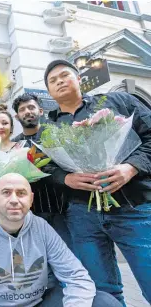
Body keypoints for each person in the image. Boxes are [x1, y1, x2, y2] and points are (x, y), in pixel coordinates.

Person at [44, 59, 151, 305]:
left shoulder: (119, 103)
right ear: (49, 91)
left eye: (64, 75)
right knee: (101, 292)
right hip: (83, 216)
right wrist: (66, 178)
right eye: (53, 80)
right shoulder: (49, 127)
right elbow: (46, 168)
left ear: (79, 79)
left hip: (133, 208)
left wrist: (131, 167)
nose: (59, 81)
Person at [0, 173, 122, 307]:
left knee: (104, 302)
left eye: (21, 193)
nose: (14, 200)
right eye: (6, 192)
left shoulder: (41, 228)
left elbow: (76, 275)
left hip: (38, 303)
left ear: (31, 198)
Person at [11, 93, 71, 249]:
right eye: (22, 109)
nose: (28, 112)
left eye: (31, 107)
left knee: (66, 255)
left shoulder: (55, 135)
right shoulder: (14, 145)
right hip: (31, 213)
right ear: (17, 117)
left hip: (62, 209)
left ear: (41, 111)